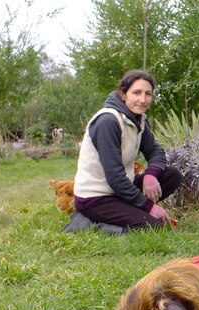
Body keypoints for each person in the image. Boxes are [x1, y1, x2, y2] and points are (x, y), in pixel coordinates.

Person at [62, 70, 183, 234]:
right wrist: (149, 207)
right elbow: (114, 176)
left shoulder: (137, 119)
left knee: (172, 175)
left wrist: (150, 175)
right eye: (137, 92)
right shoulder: (108, 121)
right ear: (123, 94)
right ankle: (92, 224)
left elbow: (156, 151)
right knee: (154, 227)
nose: (143, 99)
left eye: (148, 94)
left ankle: (124, 213)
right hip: (96, 197)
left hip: (118, 191)